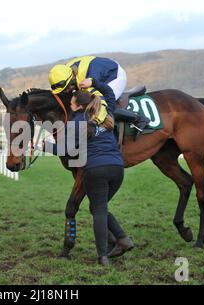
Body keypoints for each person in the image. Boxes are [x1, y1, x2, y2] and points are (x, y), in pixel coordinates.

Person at [43, 91, 134, 265]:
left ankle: (103, 256)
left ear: (79, 106)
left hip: (96, 170)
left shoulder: (77, 122)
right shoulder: (104, 118)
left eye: (72, 103)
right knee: (99, 208)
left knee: (98, 210)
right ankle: (122, 239)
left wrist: (44, 147)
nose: (70, 105)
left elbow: (67, 150)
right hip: (117, 169)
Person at [48, 55, 149, 132]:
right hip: (101, 70)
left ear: (71, 80)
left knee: (101, 106)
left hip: (115, 75)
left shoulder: (87, 78)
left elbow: (99, 99)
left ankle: (138, 118)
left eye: (67, 88)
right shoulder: (64, 72)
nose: (67, 91)